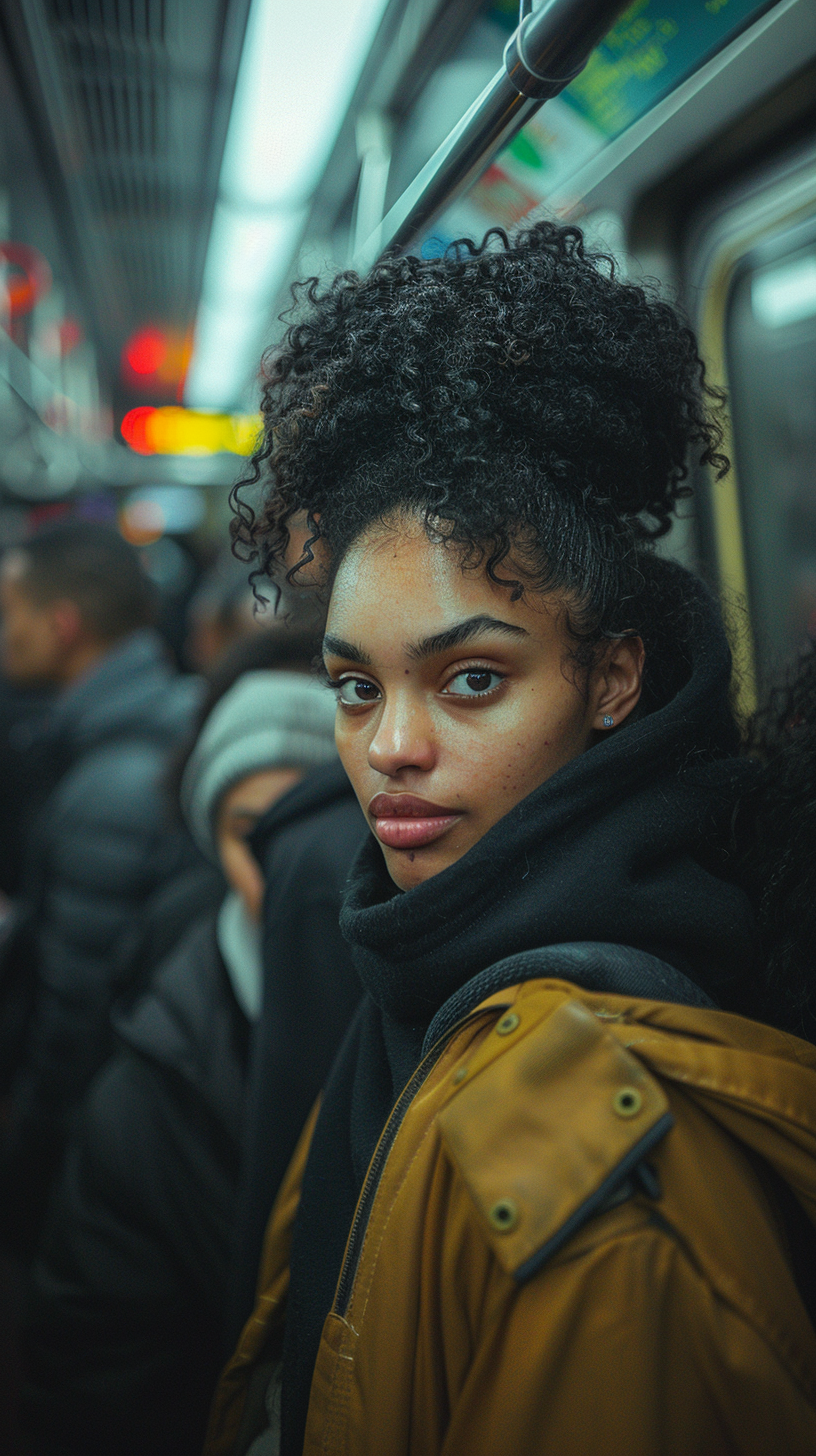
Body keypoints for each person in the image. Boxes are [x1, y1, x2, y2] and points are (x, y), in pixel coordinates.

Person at [206, 222, 816, 1456]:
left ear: (612, 678)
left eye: (471, 680)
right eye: (356, 687)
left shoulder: (609, 1166)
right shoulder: (421, 975)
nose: (391, 749)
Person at [21, 633, 340, 1456]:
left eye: (309, 826)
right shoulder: (160, 1065)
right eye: (247, 835)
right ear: (209, 834)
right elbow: (95, 1362)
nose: (278, 873)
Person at [0, 520, 200, 1250]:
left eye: (8, 613)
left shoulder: (113, 787)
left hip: (100, 1148)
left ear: (62, 625)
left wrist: (29, 1163)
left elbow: (74, 1011)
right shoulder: (160, 722)